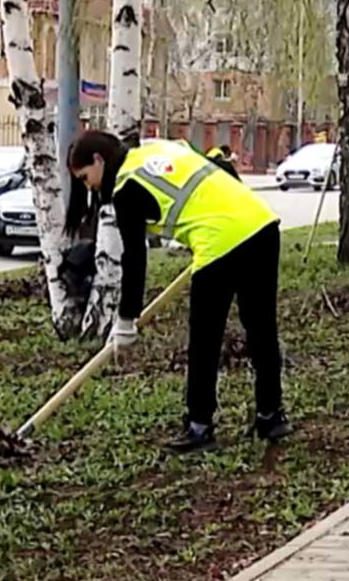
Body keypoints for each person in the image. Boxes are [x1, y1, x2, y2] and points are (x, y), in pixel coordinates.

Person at [68, 131, 290, 452]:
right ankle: (272, 416)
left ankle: (199, 427)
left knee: (204, 338)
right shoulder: (160, 149)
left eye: (85, 177)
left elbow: (134, 257)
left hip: (220, 241)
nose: (88, 186)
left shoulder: (126, 188)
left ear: (99, 160)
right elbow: (219, 165)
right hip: (261, 224)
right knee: (261, 328)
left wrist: (127, 319)